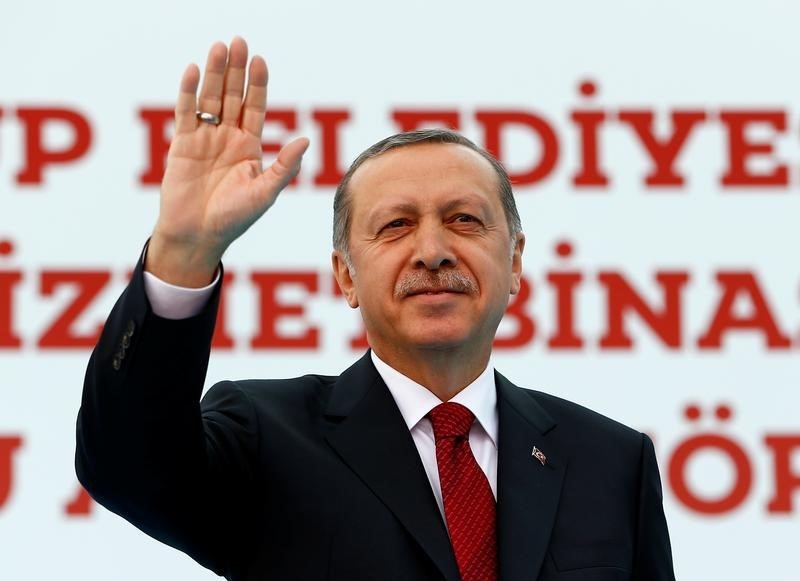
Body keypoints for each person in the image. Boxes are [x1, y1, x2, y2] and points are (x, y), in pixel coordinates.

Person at [75, 37, 675, 581]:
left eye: (464, 219)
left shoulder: (612, 462)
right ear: (346, 276)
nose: (434, 251)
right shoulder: (267, 437)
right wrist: (184, 253)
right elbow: (128, 469)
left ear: (514, 262)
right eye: (396, 225)